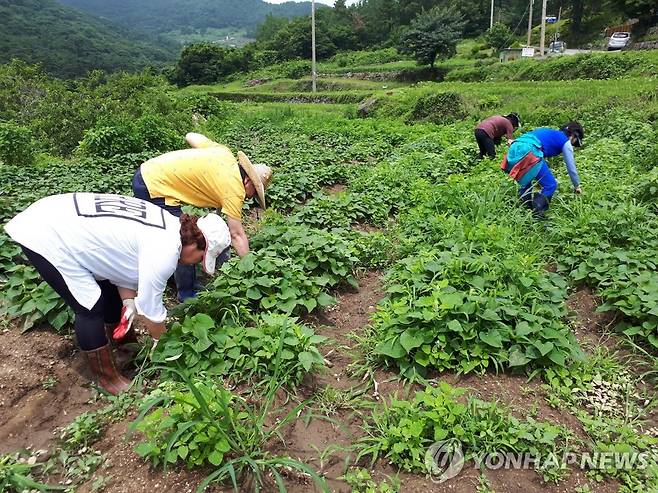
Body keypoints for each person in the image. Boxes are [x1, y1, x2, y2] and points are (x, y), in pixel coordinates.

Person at [4, 193, 231, 395]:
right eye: (199, 260)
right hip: (48, 234)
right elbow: (152, 313)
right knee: (90, 306)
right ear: (195, 247)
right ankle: (108, 379)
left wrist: (128, 300)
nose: (194, 265)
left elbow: (121, 265)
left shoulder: (169, 225)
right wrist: (166, 349)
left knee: (109, 292)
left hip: (56, 214)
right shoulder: (166, 251)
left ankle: (125, 348)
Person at [132, 132, 272, 301]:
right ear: (248, 182)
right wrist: (250, 269)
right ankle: (186, 293)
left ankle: (173, 276)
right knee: (183, 239)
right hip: (154, 186)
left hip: (149, 169)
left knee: (175, 233)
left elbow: (191, 136)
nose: (251, 198)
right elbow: (236, 234)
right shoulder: (234, 189)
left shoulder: (223, 153)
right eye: (254, 193)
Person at [501, 122, 584, 218]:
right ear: (573, 136)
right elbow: (571, 167)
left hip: (516, 147)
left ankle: (525, 211)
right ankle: (538, 213)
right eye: (574, 142)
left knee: (526, 182)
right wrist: (577, 185)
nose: (573, 144)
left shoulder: (550, 133)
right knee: (551, 185)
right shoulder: (565, 142)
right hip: (530, 150)